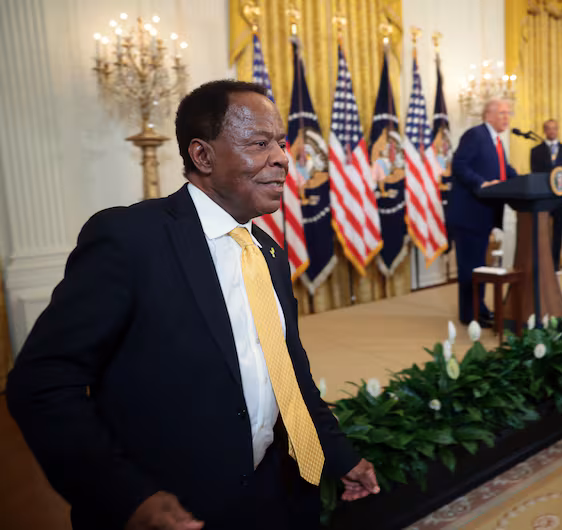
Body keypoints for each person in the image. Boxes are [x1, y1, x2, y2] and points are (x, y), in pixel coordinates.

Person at [6, 80, 379, 530]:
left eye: (280, 143)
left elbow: (287, 371)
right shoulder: (130, 239)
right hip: (176, 509)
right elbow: (42, 384)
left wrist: (339, 456)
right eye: (260, 143)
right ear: (202, 156)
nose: (283, 157)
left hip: (273, 494)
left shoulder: (268, 253)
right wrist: (128, 498)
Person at [449, 99, 518, 327]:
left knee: (480, 266)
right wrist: (482, 183)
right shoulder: (475, 135)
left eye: (508, 113)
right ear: (488, 115)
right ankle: (470, 315)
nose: (507, 117)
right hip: (469, 214)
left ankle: (481, 307)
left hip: (484, 215)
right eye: (502, 113)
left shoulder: (496, 141)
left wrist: (523, 181)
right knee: (471, 267)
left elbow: (503, 170)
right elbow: (459, 165)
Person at [529, 119, 562, 272]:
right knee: (543, 231)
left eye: (554, 128)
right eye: (548, 129)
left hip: (561, 198)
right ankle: (543, 263)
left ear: (558, 130)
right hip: (544, 198)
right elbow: (535, 175)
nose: (552, 131)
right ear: (544, 131)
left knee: (558, 231)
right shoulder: (536, 151)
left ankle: (555, 263)